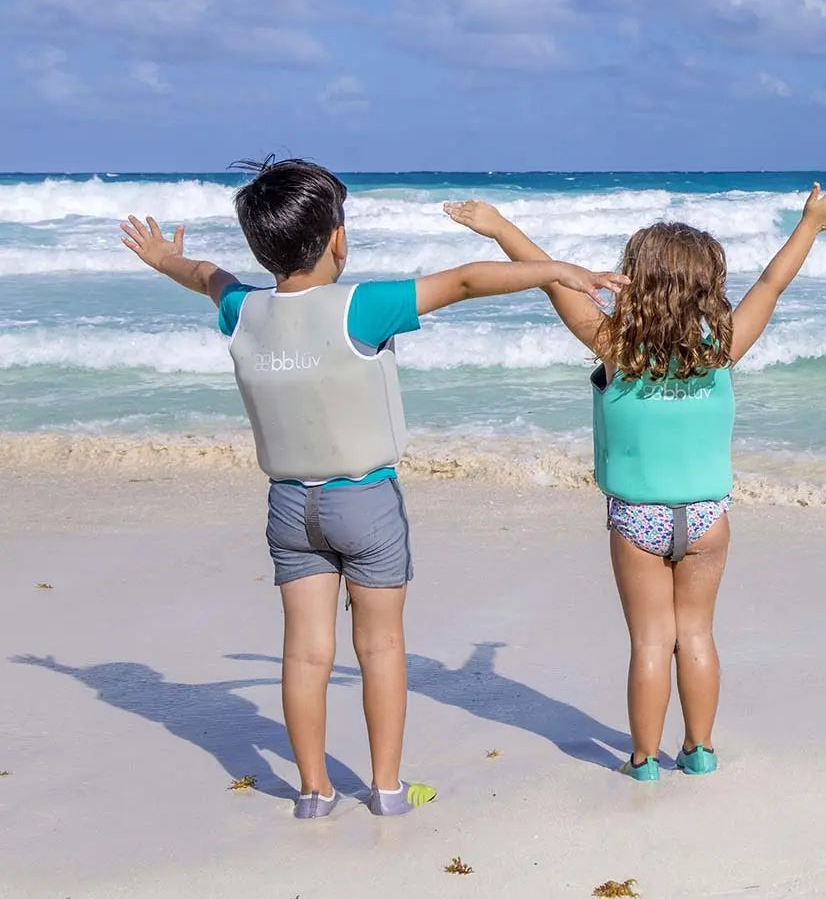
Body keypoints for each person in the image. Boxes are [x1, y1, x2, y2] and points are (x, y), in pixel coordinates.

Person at [120, 157, 626, 817]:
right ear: (337, 238)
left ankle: (313, 792)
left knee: (305, 654)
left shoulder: (243, 310)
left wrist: (161, 259)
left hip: (289, 507)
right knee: (381, 646)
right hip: (365, 502)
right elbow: (470, 280)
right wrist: (559, 271)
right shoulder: (363, 306)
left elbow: (207, 276)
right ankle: (386, 790)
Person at [444, 182, 826, 781]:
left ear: (636, 280)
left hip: (638, 520)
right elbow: (771, 283)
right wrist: (811, 226)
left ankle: (642, 760)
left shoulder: (615, 346)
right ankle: (701, 749)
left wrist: (501, 226)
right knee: (696, 634)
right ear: (707, 286)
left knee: (648, 642)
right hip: (709, 518)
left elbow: (555, 281)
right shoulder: (722, 349)